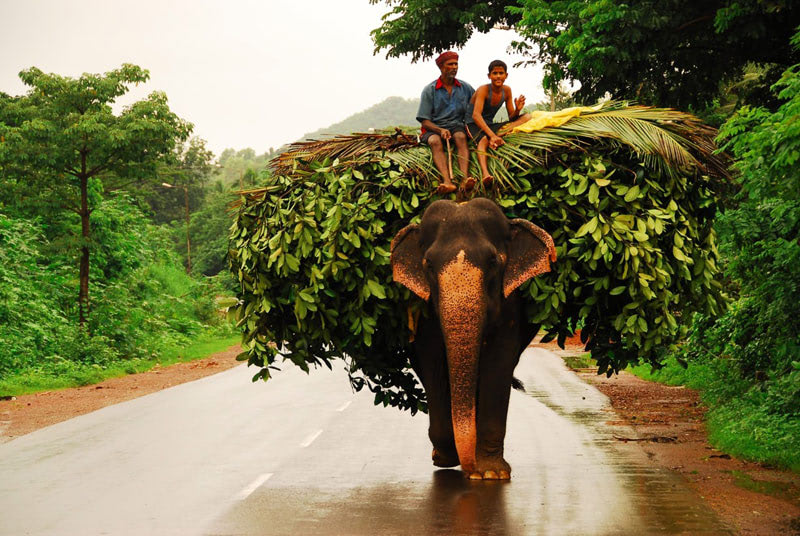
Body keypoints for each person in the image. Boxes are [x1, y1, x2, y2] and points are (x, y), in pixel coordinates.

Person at [416, 51, 476, 194]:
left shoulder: (465, 88)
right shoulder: (430, 90)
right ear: (442, 67)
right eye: (450, 64)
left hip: (457, 126)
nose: (454, 67)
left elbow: (476, 107)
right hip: (433, 128)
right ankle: (447, 181)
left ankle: (464, 178)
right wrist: (439, 130)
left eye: (456, 64)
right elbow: (424, 120)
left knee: (461, 137)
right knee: (435, 141)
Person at [466, 60, 532, 187]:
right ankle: (485, 174)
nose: (498, 76)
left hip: (490, 124)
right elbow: (476, 115)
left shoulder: (506, 91)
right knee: (484, 140)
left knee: (527, 117)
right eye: (494, 73)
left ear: (506, 75)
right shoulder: (483, 90)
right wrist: (492, 136)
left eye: (501, 73)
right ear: (489, 76)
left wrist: (518, 109)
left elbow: (511, 117)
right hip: (473, 124)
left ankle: (498, 135)